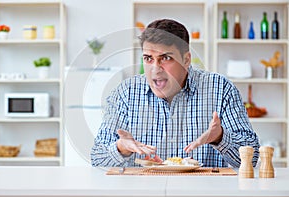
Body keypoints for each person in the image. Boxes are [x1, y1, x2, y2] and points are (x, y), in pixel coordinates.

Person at [91, 19, 260, 168]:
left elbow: (251, 159)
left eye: (166, 58)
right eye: (148, 58)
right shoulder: (125, 93)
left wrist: (220, 137)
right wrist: (121, 148)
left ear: (186, 60)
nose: (155, 68)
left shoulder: (221, 89)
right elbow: (97, 159)